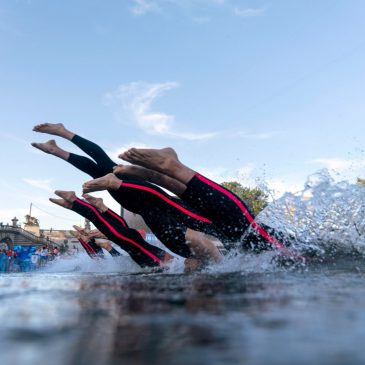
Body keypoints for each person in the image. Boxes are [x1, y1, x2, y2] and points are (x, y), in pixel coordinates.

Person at [32, 123, 223, 260]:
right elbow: (196, 237)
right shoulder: (198, 233)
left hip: (142, 206)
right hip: (148, 199)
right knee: (107, 167)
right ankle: (63, 134)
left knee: (99, 170)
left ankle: (56, 148)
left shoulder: (189, 248)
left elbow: (194, 249)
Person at [50, 191, 221, 270]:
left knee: (119, 236)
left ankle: (82, 206)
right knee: (119, 236)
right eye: (193, 262)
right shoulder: (183, 259)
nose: (188, 264)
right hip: (148, 253)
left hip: (143, 253)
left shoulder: (182, 265)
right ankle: (78, 204)